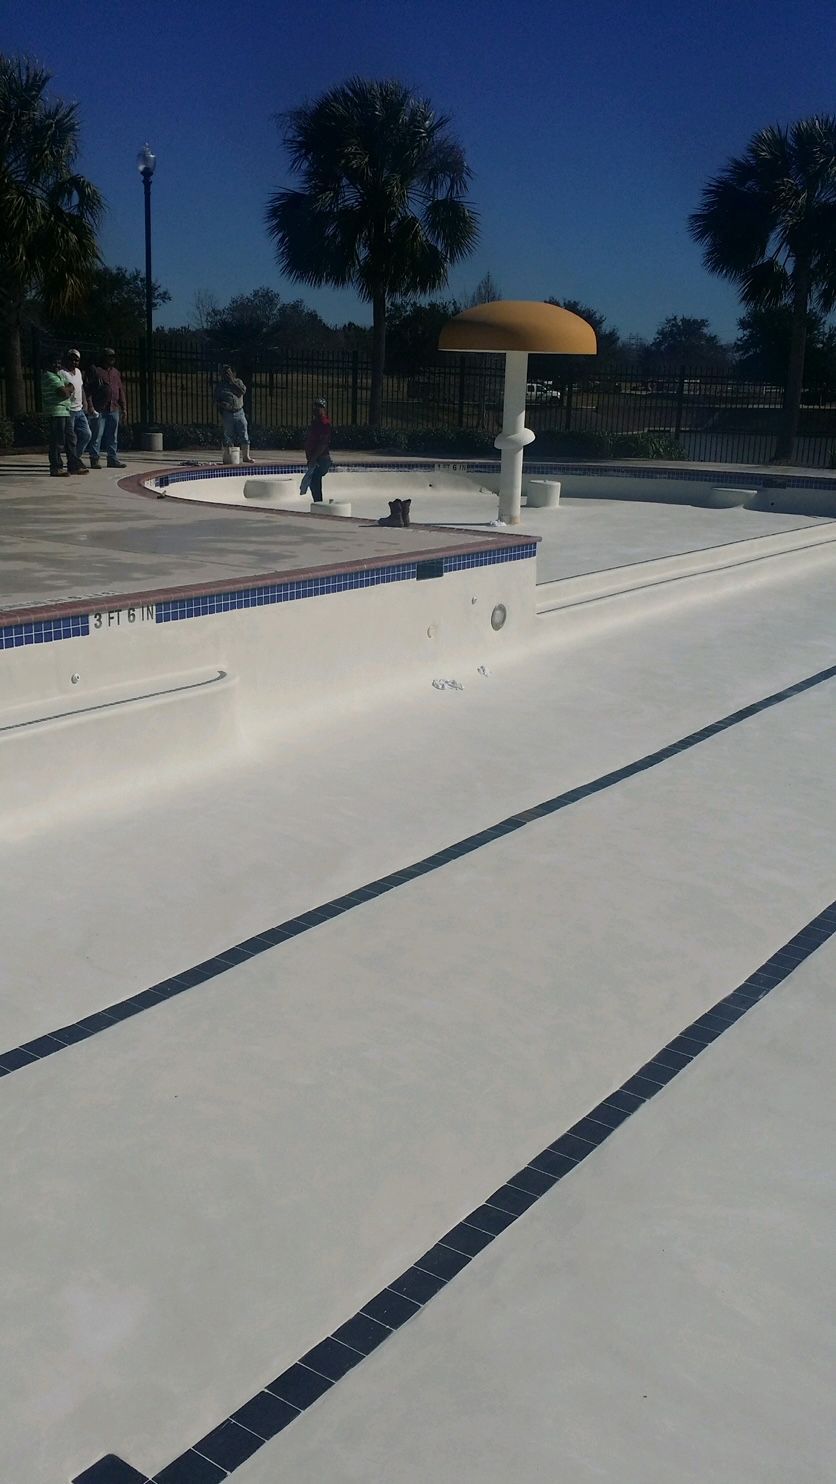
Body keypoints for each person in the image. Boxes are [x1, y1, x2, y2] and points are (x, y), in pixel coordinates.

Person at [41, 352, 87, 477]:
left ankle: (73, 465)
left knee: (71, 440)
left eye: (58, 363)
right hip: (55, 412)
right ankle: (56, 467)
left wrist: (69, 388)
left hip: (65, 412)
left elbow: (71, 386)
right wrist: (68, 389)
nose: (57, 365)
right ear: (47, 364)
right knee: (57, 441)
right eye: (54, 363)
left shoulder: (58, 376)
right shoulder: (49, 376)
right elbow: (64, 393)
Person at [85, 347, 127, 468]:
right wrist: (91, 406)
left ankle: (112, 458)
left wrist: (124, 407)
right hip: (100, 408)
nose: (112, 359)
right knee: (97, 435)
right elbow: (88, 390)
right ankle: (94, 458)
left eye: (113, 356)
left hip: (113, 408)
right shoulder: (96, 371)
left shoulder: (116, 372)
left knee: (113, 436)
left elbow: (120, 390)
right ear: (104, 357)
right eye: (109, 356)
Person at [213, 364, 254, 462]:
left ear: (232, 373)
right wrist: (222, 405)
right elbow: (216, 400)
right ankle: (230, 457)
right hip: (227, 413)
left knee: (244, 433)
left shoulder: (238, 382)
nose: (226, 375)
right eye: (224, 373)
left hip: (239, 411)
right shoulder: (220, 386)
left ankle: (246, 456)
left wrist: (232, 382)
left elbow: (242, 391)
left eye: (228, 372)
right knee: (228, 435)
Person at [62, 349, 94, 467]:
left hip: (79, 409)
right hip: (69, 410)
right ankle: (74, 460)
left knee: (87, 434)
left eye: (77, 360)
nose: (74, 362)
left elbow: (81, 388)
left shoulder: (79, 372)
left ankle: (76, 457)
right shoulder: (62, 373)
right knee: (71, 438)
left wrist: (85, 402)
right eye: (72, 359)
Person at [302, 397, 332, 501]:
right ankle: (318, 502)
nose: (315, 409)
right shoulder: (315, 423)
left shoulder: (324, 423)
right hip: (315, 458)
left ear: (323, 409)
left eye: (319, 407)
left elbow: (323, 443)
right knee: (313, 481)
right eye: (314, 407)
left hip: (322, 459)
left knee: (315, 480)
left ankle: (319, 504)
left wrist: (314, 458)